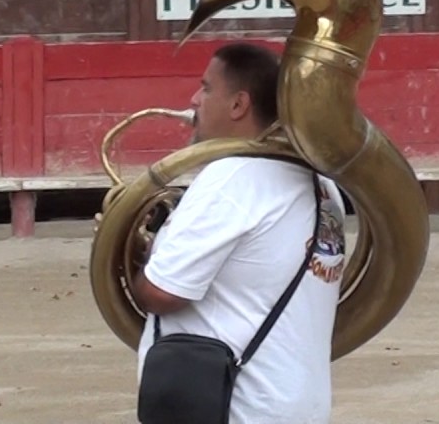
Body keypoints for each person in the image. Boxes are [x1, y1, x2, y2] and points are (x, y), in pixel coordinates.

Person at [132, 43, 345, 424]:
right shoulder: (322, 185)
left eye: (206, 88)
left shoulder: (230, 178)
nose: (194, 99)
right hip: (298, 405)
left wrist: (139, 264)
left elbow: (164, 292)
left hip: (235, 406)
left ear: (238, 105)